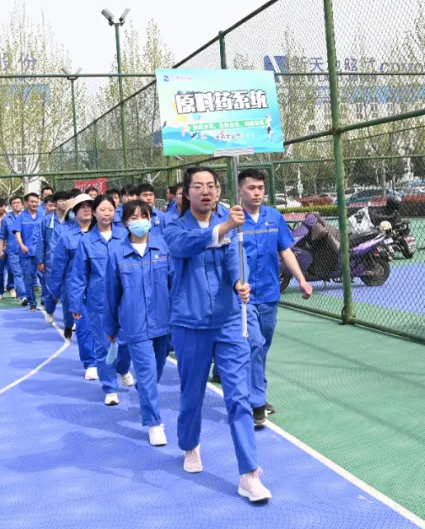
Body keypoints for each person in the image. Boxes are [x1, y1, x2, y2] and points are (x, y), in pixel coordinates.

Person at [163, 167, 269, 502]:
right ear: (186, 193)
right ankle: (190, 444)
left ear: (219, 190)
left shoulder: (229, 223)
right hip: (190, 323)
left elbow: (235, 259)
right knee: (192, 392)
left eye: (211, 185)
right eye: (197, 186)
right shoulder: (174, 226)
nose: (205, 191)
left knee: (238, 396)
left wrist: (239, 282)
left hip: (229, 321)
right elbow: (184, 247)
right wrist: (223, 229)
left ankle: (249, 474)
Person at [236, 168, 313, 426]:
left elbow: (285, 250)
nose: (256, 192)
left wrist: (302, 280)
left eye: (260, 188)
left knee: (262, 346)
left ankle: (255, 392)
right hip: (243, 297)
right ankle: (256, 402)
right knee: (254, 343)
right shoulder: (233, 220)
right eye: (251, 188)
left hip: (270, 293)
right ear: (240, 190)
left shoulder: (273, 216)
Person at [104, 199, 173, 446]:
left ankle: (144, 391)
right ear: (125, 222)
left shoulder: (163, 247)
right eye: (133, 217)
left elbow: (174, 284)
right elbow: (111, 293)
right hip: (135, 324)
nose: (140, 221)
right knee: (146, 371)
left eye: (144, 216)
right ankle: (154, 422)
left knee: (156, 370)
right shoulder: (117, 253)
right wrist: (111, 327)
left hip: (164, 322)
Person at [70, 195, 132, 404]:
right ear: (95, 213)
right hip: (98, 302)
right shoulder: (86, 241)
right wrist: (76, 303)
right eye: (102, 210)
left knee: (127, 342)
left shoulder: (125, 236)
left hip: (126, 300)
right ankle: (110, 388)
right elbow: (79, 275)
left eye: (110, 210)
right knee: (104, 346)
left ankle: (122, 367)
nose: (107, 214)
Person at [45, 193, 97, 378]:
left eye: (90, 205)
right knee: (84, 327)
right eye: (82, 206)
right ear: (74, 211)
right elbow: (58, 265)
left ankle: (109, 361)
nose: (86, 209)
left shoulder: (103, 233)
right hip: (77, 290)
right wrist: (55, 290)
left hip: (102, 289)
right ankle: (91, 363)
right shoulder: (66, 237)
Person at [41, 190, 73, 314]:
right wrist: (40, 260)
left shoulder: (74, 219)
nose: (64, 203)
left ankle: (69, 319)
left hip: (70, 261)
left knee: (68, 290)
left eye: (66, 200)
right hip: (52, 260)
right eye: (61, 200)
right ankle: (49, 309)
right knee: (54, 288)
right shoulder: (46, 220)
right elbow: (41, 241)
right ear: (55, 203)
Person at [12, 193, 45, 310]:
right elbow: (17, 233)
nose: (34, 204)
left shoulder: (42, 216)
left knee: (44, 277)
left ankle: (45, 298)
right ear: (26, 202)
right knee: (28, 278)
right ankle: (32, 302)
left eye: (36, 201)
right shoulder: (21, 217)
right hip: (26, 253)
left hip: (40, 252)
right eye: (32, 201)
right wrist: (22, 245)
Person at [0, 196, 24, 300]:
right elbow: (2, 236)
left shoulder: (27, 217)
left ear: (22, 204)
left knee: (26, 273)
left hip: (26, 250)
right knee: (17, 273)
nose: (17, 204)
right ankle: (22, 295)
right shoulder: (6, 219)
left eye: (18, 202)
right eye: (14, 203)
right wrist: (0, 250)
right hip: (13, 250)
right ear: (10, 206)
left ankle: (20, 292)